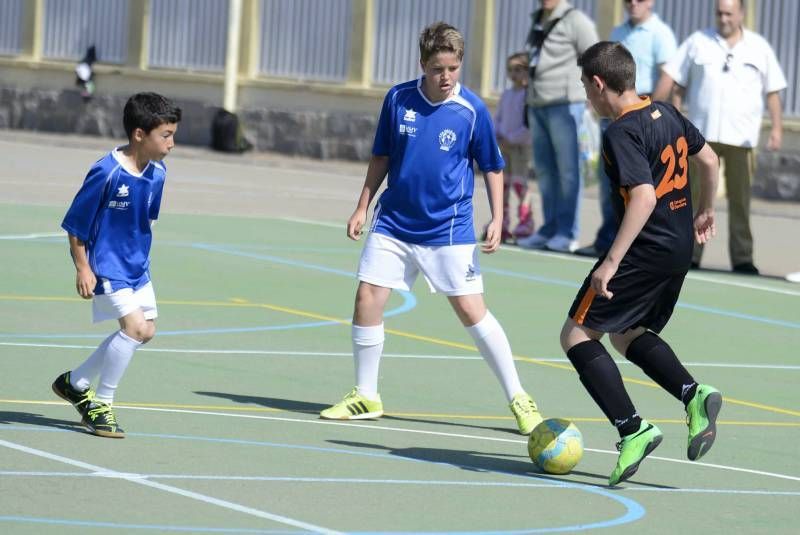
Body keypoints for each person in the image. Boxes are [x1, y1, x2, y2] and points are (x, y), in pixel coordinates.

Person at [319, 22, 543, 435]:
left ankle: (519, 397)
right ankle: (366, 395)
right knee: (367, 296)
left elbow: (492, 166)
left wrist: (497, 216)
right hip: (393, 222)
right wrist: (361, 206)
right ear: (422, 64)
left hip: (449, 229)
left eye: (454, 68)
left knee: (472, 312)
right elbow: (381, 156)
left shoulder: (471, 110)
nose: (446, 77)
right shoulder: (398, 98)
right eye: (438, 68)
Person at [562, 41, 722, 485]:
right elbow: (709, 159)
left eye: (585, 87)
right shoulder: (666, 111)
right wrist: (706, 209)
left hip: (644, 248)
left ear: (599, 84)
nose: (587, 97)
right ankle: (693, 394)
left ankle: (632, 429)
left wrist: (611, 261)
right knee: (626, 333)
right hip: (677, 249)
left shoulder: (621, 131)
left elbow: (644, 196)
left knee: (576, 334)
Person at [52, 92, 181, 438]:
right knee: (135, 328)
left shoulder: (158, 173)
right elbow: (76, 225)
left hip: (137, 267)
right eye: (166, 135)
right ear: (139, 134)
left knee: (146, 330)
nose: (172, 143)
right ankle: (102, 403)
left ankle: (75, 382)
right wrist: (82, 267)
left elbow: (147, 220)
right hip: (106, 266)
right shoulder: (106, 172)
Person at [655, 0, 787, 275]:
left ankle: (742, 257)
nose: (723, 18)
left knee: (741, 201)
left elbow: (773, 91)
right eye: (719, 13)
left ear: (741, 14)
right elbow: (678, 83)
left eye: (729, 13)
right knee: (693, 197)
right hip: (702, 138)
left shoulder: (759, 47)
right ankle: (690, 253)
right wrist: (677, 120)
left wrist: (776, 128)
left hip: (742, 138)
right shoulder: (697, 42)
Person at [576, 0, 677, 258]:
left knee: (640, 187)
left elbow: (667, 77)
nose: (633, 3)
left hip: (640, 119)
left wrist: (646, 112)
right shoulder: (618, 32)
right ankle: (609, 238)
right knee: (610, 181)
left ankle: (630, 245)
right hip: (612, 114)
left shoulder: (661, 33)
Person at [517, 0, 598, 253]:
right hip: (537, 103)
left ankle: (567, 232)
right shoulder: (537, 18)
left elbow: (594, 60)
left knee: (568, 171)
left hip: (566, 105)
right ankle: (549, 229)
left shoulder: (577, 20)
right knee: (544, 170)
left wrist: (590, 101)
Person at [485, 51, 535, 243]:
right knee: (503, 184)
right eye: (510, 70)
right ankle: (502, 222)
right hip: (504, 146)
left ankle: (525, 221)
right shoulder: (506, 94)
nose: (514, 74)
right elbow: (498, 118)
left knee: (519, 184)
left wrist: (512, 139)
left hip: (520, 148)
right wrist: (497, 135)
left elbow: (528, 126)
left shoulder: (528, 95)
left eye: (518, 70)